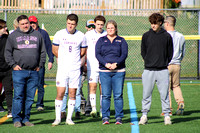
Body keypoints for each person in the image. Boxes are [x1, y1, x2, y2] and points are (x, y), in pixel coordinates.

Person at [4, 15, 46, 128]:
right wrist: (13, 65)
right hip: (19, 72)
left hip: (33, 72)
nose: (25, 25)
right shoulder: (13, 36)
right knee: (18, 96)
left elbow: (43, 52)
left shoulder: (37, 35)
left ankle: (26, 118)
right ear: (18, 25)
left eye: (26, 23)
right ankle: (17, 119)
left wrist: (40, 65)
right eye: (22, 24)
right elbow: (7, 53)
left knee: (30, 97)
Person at [52, 13, 87, 126]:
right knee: (60, 92)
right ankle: (58, 118)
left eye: (72, 24)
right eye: (68, 23)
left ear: (76, 24)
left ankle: (69, 118)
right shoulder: (59, 34)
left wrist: (74, 62)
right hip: (62, 69)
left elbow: (82, 52)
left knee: (73, 93)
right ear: (66, 22)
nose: (70, 26)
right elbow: (54, 50)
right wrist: (63, 60)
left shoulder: (81, 35)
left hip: (75, 70)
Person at [139, 13, 173, 125]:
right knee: (146, 94)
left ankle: (167, 116)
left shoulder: (167, 36)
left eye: (155, 23)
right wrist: (148, 61)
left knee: (164, 95)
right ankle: (144, 115)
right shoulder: (146, 36)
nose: (153, 25)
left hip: (163, 70)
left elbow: (170, 53)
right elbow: (143, 51)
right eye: (151, 23)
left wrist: (163, 62)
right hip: (148, 70)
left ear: (160, 23)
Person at [60, 19, 95, 118]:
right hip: (70, 67)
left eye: (93, 27)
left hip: (82, 66)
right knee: (66, 90)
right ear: (86, 27)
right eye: (89, 27)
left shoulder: (85, 37)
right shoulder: (79, 36)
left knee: (79, 90)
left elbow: (83, 53)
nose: (91, 29)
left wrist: (82, 64)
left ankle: (79, 110)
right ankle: (63, 111)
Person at [96, 20, 128, 124]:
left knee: (118, 95)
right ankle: (105, 117)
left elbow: (124, 54)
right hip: (104, 71)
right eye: (108, 28)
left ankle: (119, 117)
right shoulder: (101, 40)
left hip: (118, 71)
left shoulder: (121, 40)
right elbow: (98, 54)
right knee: (105, 95)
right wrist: (106, 64)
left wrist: (116, 64)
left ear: (116, 29)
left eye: (112, 28)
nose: (110, 30)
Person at [28, 15, 54, 111]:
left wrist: (50, 60)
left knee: (40, 84)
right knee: (29, 85)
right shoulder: (26, 33)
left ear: (37, 23)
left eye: (33, 23)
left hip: (40, 63)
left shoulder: (43, 33)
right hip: (28, 63)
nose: (32, 25)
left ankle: (39, 104)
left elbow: (49, 47)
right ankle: (28, 103)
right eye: (30, 23)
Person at [83, 15, 107, 117]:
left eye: (102, 24)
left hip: (104, 66)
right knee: (92, 86)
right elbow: (84, 49)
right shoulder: (88, 35)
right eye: (98, 24)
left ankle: (102, 110)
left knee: (103, 88)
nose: (100, 26)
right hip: (91, 65)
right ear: (95, 24)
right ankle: (93, 109)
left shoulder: (106, 34)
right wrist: (84, 63)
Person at [163, 15, 185, 115]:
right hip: (177, 64)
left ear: (167, 23)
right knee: (176, 86)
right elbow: (183, 52)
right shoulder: (181, 36)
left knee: (166, 88)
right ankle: (180, 102)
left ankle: (168, 110)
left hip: (167, 64)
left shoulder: (163, 35)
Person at [0, 19, 13, 117]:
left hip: (7, 69)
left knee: (8, 90)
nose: (6, 28)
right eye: (4, 27)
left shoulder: (7, 38)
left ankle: (10, 111)